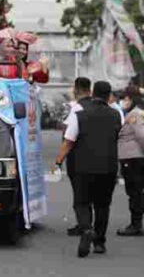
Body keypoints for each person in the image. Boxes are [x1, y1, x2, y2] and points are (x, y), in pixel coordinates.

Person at [55, 81, 122, 257]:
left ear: (93, 93)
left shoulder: (80, 114)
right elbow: (119, 138)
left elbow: (69, 141)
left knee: (82, 202)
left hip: (83, 168)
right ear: (109, 96)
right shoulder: (116, 115)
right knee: (103, 205)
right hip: (108, 167)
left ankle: (86, 229)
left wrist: (58, 160)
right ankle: (100, 243)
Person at [63, 77, 94, 236]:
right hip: (96, 156)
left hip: (77, 156)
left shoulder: (75, 108)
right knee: (90, 193)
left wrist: (59, 159)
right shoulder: (98, 106)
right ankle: (87, 224)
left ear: (76, 89)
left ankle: (85, 225)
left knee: (80, 193)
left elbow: (68, 136)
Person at [116, 92, 144, 236]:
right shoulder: (137, 113)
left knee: (135, 192)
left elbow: (141, 135)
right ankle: (136, 223)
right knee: (136, 192)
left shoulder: (135, 114)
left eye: (125, 99)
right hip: (133, 157)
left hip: (133, 159)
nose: (123, 101)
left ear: (132, 100)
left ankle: (135, 225)